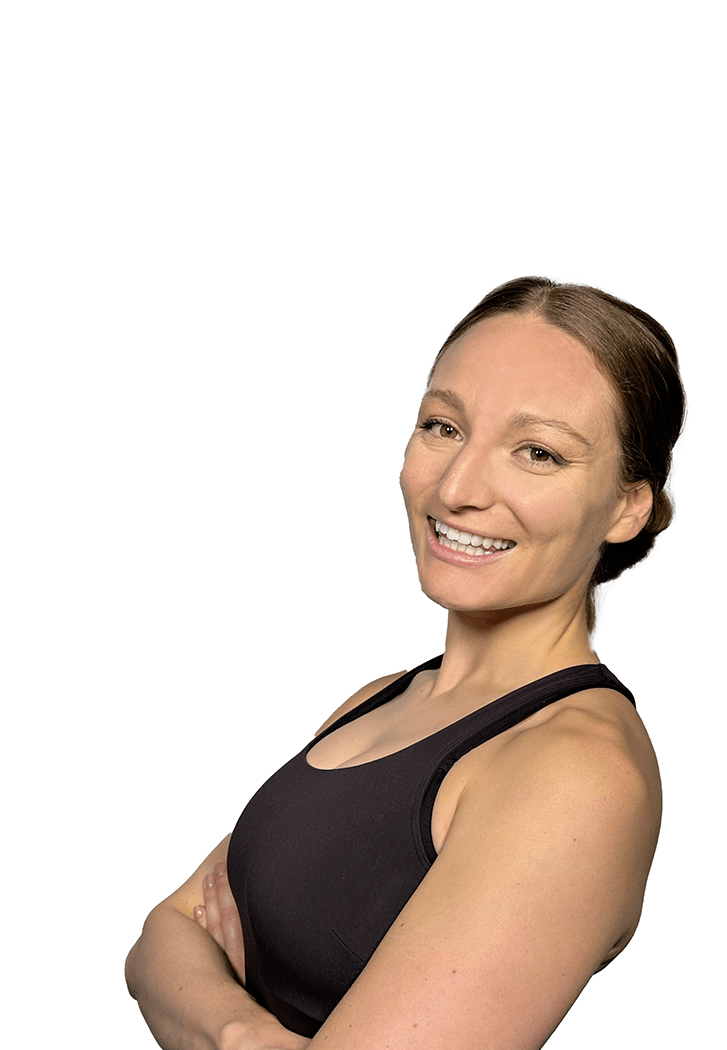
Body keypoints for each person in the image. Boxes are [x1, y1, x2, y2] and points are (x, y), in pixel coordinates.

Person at [125, 277, 685, 1050]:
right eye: (444, 427)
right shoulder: (382, 699)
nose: (456, 489)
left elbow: (185, 950)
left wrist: (206, 995)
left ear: (627, 507)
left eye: (537, 452)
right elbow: (162, 934)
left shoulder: (577, 773)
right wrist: (242, 1036)